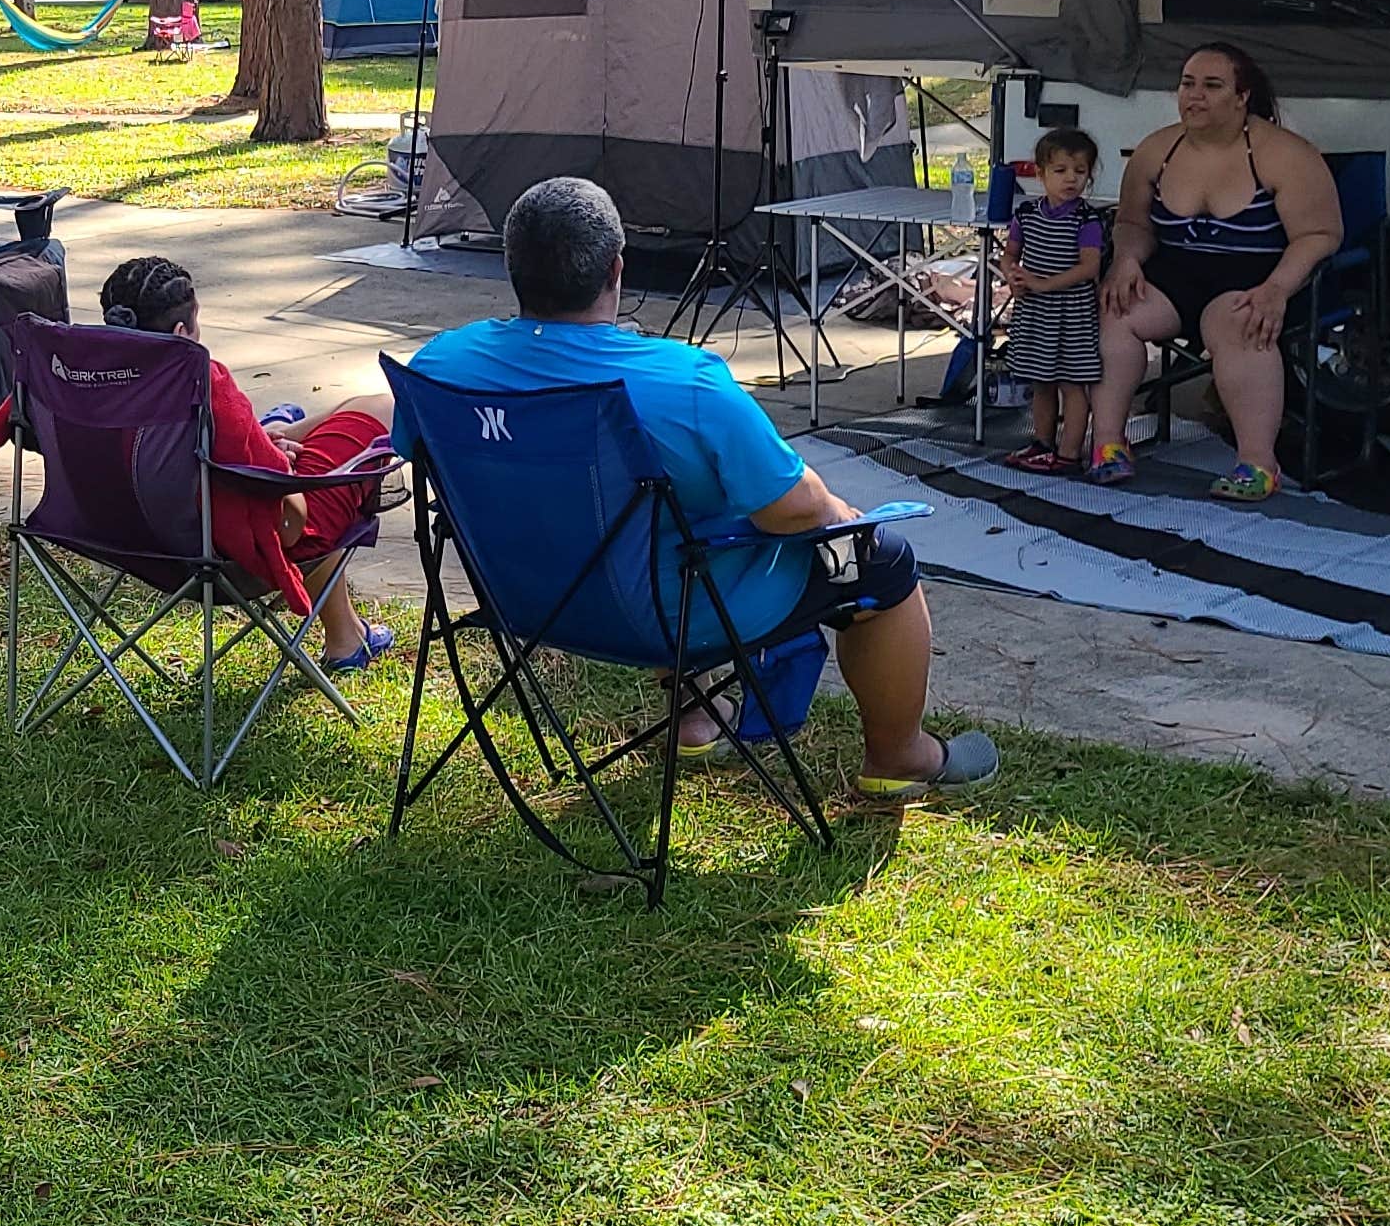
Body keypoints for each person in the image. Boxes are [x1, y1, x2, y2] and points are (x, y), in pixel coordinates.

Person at [410, 176, 995, 797]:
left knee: (663, 521)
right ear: (616, 268)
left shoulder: (445, 364)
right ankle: (900, 757)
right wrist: (836, 510)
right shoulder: (683, 383)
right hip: (658, 614)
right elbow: (791, 511)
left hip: (521, 602)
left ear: (512, 265)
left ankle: (695, 719)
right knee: (879, 559)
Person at [97, 254, 395, 670]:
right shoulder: (205, 385)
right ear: (182, 332)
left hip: (134, 541)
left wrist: (264, 445)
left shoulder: (79, 378)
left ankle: (348, 637)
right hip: (231, 549)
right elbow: (291, 523)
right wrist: (281, 467)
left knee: (294, 420)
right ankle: (346, 640)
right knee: (382, 410)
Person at [1081, 41, 1343, 500]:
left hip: (1251, 276)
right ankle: (1109, 443)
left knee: (1245, 325)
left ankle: (1259, 463)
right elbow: (1132, 223)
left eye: (1211, 85)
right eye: (1187, 84)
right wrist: (1125, 261)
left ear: (1241, 97)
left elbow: (1320, 234)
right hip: (1173, 273)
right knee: (1116, 312)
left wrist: (1278, 288)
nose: (1193, 96)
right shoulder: (1157, 150)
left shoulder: (1283, 153)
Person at [995, 125, 1109, 471]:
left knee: (1073, 383)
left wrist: (1046, 284)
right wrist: (1012, 275)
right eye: (1060, 171)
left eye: (1080, 171)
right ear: (1041, 175)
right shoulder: (1027, 214)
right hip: (1034, 312)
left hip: (1072, 313)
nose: (1070, 179)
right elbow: (1009, 253)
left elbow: (1090, 267)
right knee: (1040, 380)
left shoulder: (1087, 219)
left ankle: (1069, 452)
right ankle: (1042, 443)